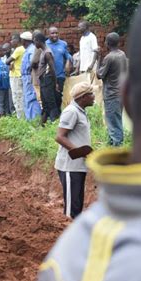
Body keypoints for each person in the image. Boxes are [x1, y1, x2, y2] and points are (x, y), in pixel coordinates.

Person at [36, 0, 141, 281]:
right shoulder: (71, 110)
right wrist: (77, 151)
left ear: (126, 98)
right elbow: (59, 135)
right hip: (71, 164)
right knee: (73, 205)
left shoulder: (65, 262)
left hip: (80, 164)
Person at [54, 82, 95, 219]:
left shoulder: (80, 111)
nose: (94, 97)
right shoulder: (71, 112)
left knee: (77, 206)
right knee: (71, 210)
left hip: (78, 166)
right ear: (83, 97)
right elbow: (60, 137)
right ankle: (66, 235)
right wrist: (80, 151)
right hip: (69, 166)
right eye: (91, 94)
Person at [96, 32, 128, 146]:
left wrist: (98, 58)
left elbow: (99, 75)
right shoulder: (122, 54)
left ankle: (117, 147)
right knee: (115, 120)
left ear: (107, 43)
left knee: (113, 122)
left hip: (111, 94)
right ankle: (111, 144)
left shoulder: (109, 57)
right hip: (120, 93)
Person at [34, 32, 60, 123]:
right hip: (43, 81)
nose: (34, 44)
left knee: (51, 104)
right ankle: (42, 124)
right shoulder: (43, 51)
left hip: (47, 80)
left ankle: (55, 124)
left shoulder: (47, 53)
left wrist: (55, 83)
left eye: (35, 41)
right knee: (45, 104)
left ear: (38, 41)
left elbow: (52, 69)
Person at [46, 27, 73, 112]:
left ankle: (58, 117)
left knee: (58, 97)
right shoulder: (45, 44)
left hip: (60, 75)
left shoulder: (63, 44)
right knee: (50, 98)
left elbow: (68, 55)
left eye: (56, 33)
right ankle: (51, 117)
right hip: (49, 76)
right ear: (48, 34)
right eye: (52, 33)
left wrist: (68, 61)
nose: (55, 35)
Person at [20, 31, 42, 120]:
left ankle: (34, 119)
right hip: (26, 77)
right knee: (27, 99)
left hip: (30, 77)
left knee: (32, 98)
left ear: (24, 40)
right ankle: (29, 119)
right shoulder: (28, 49)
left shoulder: (32, 50)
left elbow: (33, 63)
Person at [7, 34, 25, 118]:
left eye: (12, 40)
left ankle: (20, 117)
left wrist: (10, 61)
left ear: (17, 40)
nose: (11, 42)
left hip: (16, 76)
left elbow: (7, 61)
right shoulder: (20, 49)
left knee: (17, 97)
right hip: (18, 75)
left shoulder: (18, 49)